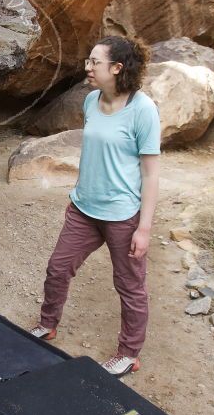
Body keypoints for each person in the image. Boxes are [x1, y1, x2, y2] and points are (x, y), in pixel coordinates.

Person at [30, 36, 160, 377]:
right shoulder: (91, 101)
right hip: (84, 208)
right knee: (58, 268)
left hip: (122, 215)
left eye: (94, 62)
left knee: (129, 286)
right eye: (88, 61)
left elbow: (151, 173)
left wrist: (143, 228)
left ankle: (129, 353)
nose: (87, 67)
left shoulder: (143, 110)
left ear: (116, 68)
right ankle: (47, 324)